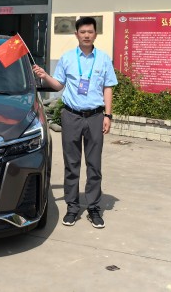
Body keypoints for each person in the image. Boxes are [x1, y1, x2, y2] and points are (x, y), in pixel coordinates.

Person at [32, 16, 117, 229]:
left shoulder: (103, 59)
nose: (86, 35)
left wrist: (108, 115)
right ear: (76, 34)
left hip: (95, 116)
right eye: (83, 32)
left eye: (90, 31)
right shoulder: (67, 58)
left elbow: (108, 87)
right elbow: (59, 85)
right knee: (72, 164)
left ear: (95, 34)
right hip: (71, 116)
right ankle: (72, 207)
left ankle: (94, 208)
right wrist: (44, 76)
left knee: (94, 164)